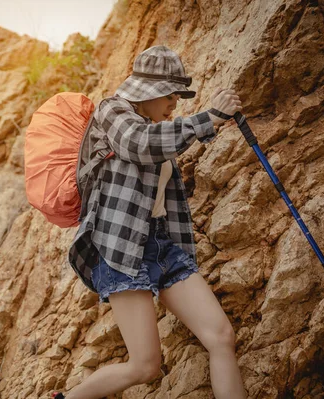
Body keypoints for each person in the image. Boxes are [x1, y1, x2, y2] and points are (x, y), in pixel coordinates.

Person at [60, 46, 247, 399]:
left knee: (221, 337)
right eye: (170, 92)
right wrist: (209, 117)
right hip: (119, 249)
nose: (175, 101)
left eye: (178, 93)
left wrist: (212, 121)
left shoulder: (155, 127)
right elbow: (140, 144)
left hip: (161, 244)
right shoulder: (112, 111)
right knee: (145, 367)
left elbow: (159, 145)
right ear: (147, 91)